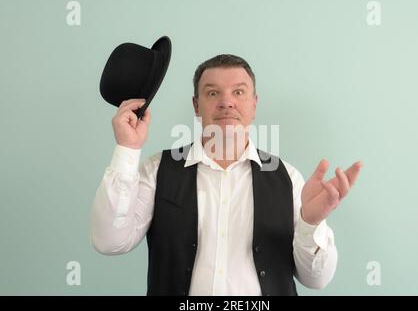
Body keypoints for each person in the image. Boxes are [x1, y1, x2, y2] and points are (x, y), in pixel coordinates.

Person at [90, 54, 363, 296]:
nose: (226, 102)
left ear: (254, 105)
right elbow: (109, 242)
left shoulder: (288, 177)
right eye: (212, 93)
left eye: (239, 92)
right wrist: (127, 148)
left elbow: (316, 281)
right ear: (197, 106)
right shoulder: (157, 169)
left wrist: (311, 223)